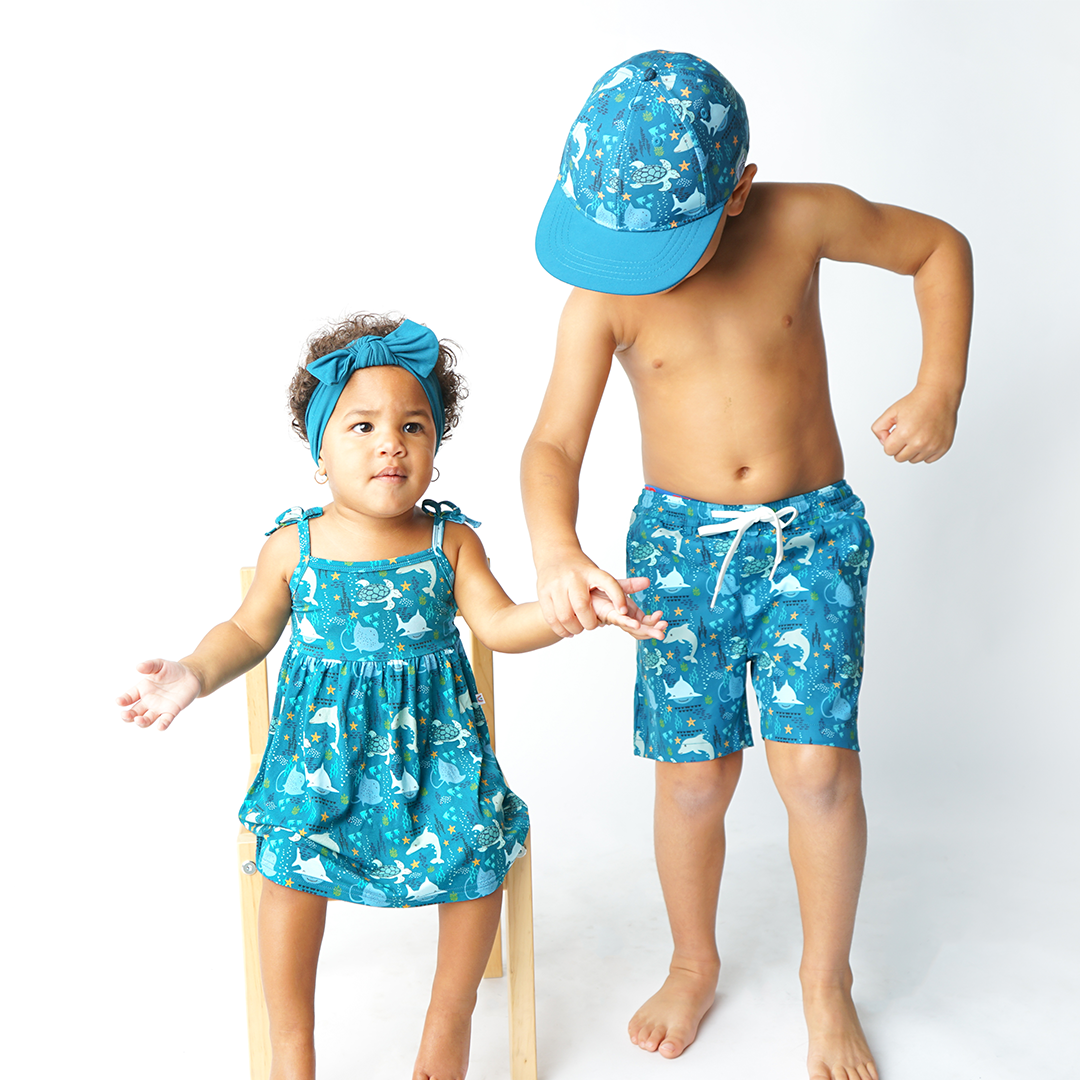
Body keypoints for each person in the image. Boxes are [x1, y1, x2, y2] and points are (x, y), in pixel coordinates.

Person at [523, 49, 972, 1080]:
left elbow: (936, 248)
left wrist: (938, 384)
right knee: (692, 783)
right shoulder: (603, 298)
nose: (641, 270)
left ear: (741, 190)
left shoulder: (800, 220)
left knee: (816, 769)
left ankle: (827, 981)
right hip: (678, 557)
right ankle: (692, 960)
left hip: (809, 536)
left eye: (665, 245)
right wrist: (557, 546)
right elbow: (551, 445)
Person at [118, 314, 665, 1080]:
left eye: (413, 426)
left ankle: (449, 1024)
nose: (390, 443)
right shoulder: (293, 546)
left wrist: (571, 610)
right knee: (286, 862)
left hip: (436, 763)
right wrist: (191, 673)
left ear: (434, 453)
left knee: (478, 848)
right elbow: (245, 631)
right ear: (319, 452)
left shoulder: (451, 544)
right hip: (318, 769)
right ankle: (291, 1047)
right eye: (363, 425)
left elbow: (503, 625)